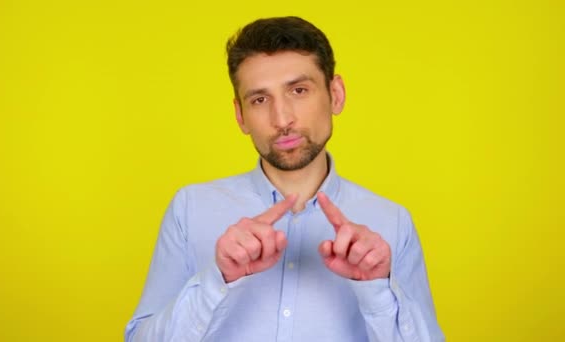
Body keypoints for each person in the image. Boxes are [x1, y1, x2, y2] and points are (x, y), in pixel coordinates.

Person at [125, 16, 444, 342]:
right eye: (260, 100)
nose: (282, 119)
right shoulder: (190, 208)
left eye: (299, 90)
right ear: (240, 116)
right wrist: (217, 280)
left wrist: (377, 289)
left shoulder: (392, 223)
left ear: (336, 94)